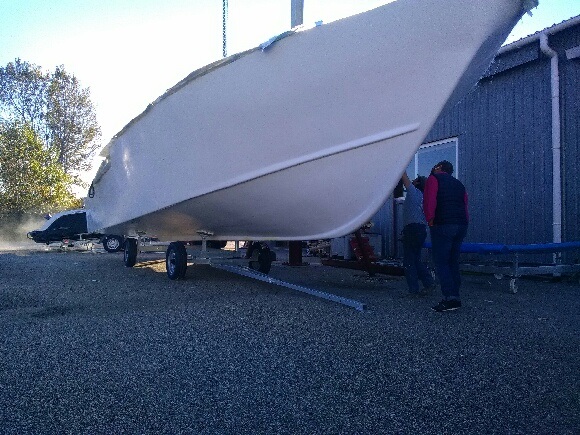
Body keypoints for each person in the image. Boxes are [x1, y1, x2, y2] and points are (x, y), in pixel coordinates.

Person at [423, 160, 469, 312]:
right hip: (461, 225)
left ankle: (450, 298)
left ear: (439, 168)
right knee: (453, 261)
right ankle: (455, 295)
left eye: (435, 166)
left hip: (443, 225)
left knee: (441, 262)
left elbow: (430, 202)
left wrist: (430, 220)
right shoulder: (459, 184)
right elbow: (465, 205)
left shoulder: (433, 179)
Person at [401, 171, 435, 296]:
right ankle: (428, 282)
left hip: (412, 229)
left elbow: (404, 176)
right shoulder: (424, 197)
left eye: (415, 180)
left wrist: (400, 162)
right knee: (415, 259)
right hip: (421, 230)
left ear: (417, 183)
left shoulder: (413, 192)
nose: (413, 181)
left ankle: (413, 290)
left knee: (409, 261)